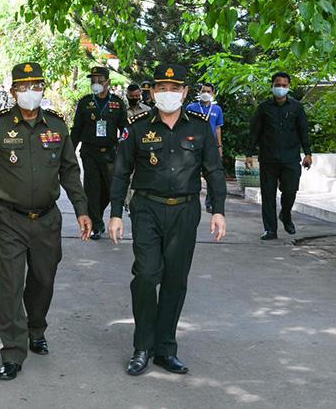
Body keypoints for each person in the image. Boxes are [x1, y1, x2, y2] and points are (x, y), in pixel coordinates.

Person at [0, 62, 91, 381]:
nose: (29, 92)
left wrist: (83, 209)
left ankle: (36, 328)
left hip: (47, 219)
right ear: (13, 91)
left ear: (43, 88)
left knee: (43, 280)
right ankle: (13, 352)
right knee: (11, 285)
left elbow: (70, 171)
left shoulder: (57, 126)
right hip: (8, 218)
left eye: (35, 86)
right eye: (23, 87)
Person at [108, 63, 227, 377]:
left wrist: (218, 210)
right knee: (146, 276)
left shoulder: (200, 128)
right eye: (162, 88)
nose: (168, 94)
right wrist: (116, 213)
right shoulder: (137, 127)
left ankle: (165, 349)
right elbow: (121, 172)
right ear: (152, 92)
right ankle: (142, 347)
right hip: (147, 208)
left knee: (175, 280)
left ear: (185, 92)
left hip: (185, 211)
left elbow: (214, 170)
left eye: (175, 89)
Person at [245, 71, 312, 240]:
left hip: (290, 157)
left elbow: (303, 130)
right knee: (268, 194)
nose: (281, 88)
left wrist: (308, 153)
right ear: (272, 86)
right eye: (278, 85)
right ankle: (270, 229)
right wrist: (249, 154)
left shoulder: (296, 107)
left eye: (284, 85)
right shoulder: (263, 108)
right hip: (268, 157)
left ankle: (286, 214)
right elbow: (254, 132)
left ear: (288, 87)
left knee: (290, 191)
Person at [71, 66, 127, 240]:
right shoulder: (85, 102)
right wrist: (69, 152)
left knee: (111, 189)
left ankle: (97, 214)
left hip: (110, 153)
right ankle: (96, 224)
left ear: (108, 82)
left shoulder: (117, 103)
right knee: (92, 189)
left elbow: (125, 129)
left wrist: (126, 150)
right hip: (90, 152)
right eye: (93, 81)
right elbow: (77, 129)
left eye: (99, 81)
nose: (96, 84)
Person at [186, 82, 224, 213]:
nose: (205, 94)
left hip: (211, 145)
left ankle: (210, 202)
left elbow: (218, 128)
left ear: (213, 94)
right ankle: (192, 198)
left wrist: (219, 146)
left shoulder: (217, 109)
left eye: (208, 91)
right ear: (199, 92)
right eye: (203, 91)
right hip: (194, 144)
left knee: (212, 174)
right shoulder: (191, 107)